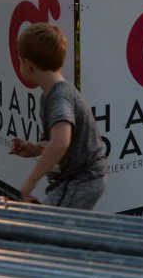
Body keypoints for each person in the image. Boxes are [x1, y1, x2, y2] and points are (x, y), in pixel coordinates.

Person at [9, 23, 107, 209]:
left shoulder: (58, 98)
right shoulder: (53, 93)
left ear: (27, 65)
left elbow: (61, 142)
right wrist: (36, 149)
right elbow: (56, 142)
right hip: (81, 178)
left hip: (80, 180)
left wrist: (32, 180)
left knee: (44, 227)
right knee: (64, 231)